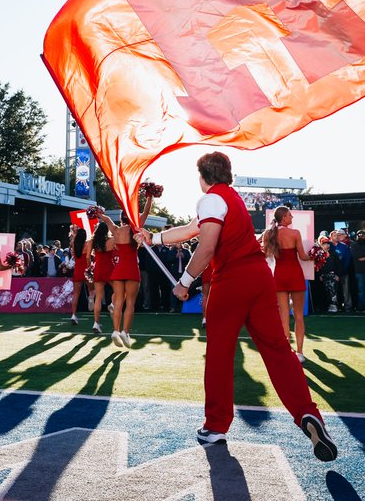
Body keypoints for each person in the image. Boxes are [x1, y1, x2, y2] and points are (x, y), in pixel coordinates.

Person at [136, 152, 336, 461]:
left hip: (232, 280)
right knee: (279, 351)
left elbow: (207, 244)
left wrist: (185, 281)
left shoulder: (211, 199)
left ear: (203, 175)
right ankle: (308, 415)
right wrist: (154, 237)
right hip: (260, 278)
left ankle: (216, 426)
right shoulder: (230, 198)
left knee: (219, 354)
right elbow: (191, 229)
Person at [104, 193, 152, 348]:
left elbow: (106, 219)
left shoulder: (116, 230)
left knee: (118, 302)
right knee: (130, 303)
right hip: (131, 269)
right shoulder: (135, 229)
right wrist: (150, 198)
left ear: (121, 218)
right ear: (130, 217)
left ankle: (115, 331)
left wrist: (97, 212)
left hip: (118, 270)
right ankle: (125, 332)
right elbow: (145, 214)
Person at [263, 207, 311, 361]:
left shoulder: (268, 233)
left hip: (279, 276)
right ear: (284, 218)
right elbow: (303, 256)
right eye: (290, 215)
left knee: (283, 315)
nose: (292, 217)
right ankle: (300, 352)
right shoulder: (295, 233)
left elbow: (264, 254)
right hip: (295, 275)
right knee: (298, 316)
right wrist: (316, 256)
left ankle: (287, 350)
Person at [90, 219, 114, 334]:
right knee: (120, 291)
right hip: (109, 268)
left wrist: (88, 267)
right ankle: (112, 304)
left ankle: (96, 322)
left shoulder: (93, 241)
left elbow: (87, 257)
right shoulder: (111, 241)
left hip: (98, 269)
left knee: (98, 297)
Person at [68, 224, 91, 325]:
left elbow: (72, 239)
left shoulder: (74, 243)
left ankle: (73, 314)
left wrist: (73, 232)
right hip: (86, 270)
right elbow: (88, 258)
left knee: (76, 294)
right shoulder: (87, 244)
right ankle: (91, 302)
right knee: (93, 291)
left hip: (77, 270)